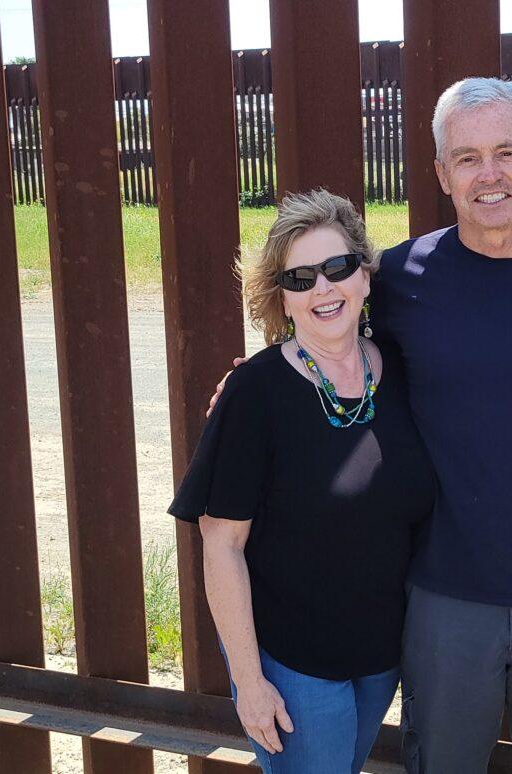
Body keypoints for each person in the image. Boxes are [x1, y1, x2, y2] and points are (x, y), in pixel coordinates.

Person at [211, 77, 512, 773]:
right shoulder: (400, 278)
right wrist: (256, 383)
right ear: (443, 175)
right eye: (467, 158)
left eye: (506, 152)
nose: (489, 174)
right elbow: (332, 338)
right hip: (446, 600)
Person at [168, 189, 436, 774]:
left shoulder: (402, 371)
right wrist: (249, 682)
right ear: (281, 297)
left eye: (338, 267)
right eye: (300, 278)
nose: (323, 288)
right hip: (293, 665)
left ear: (365, 276)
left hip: (378, 659)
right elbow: (222, 543)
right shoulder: (254, 394)